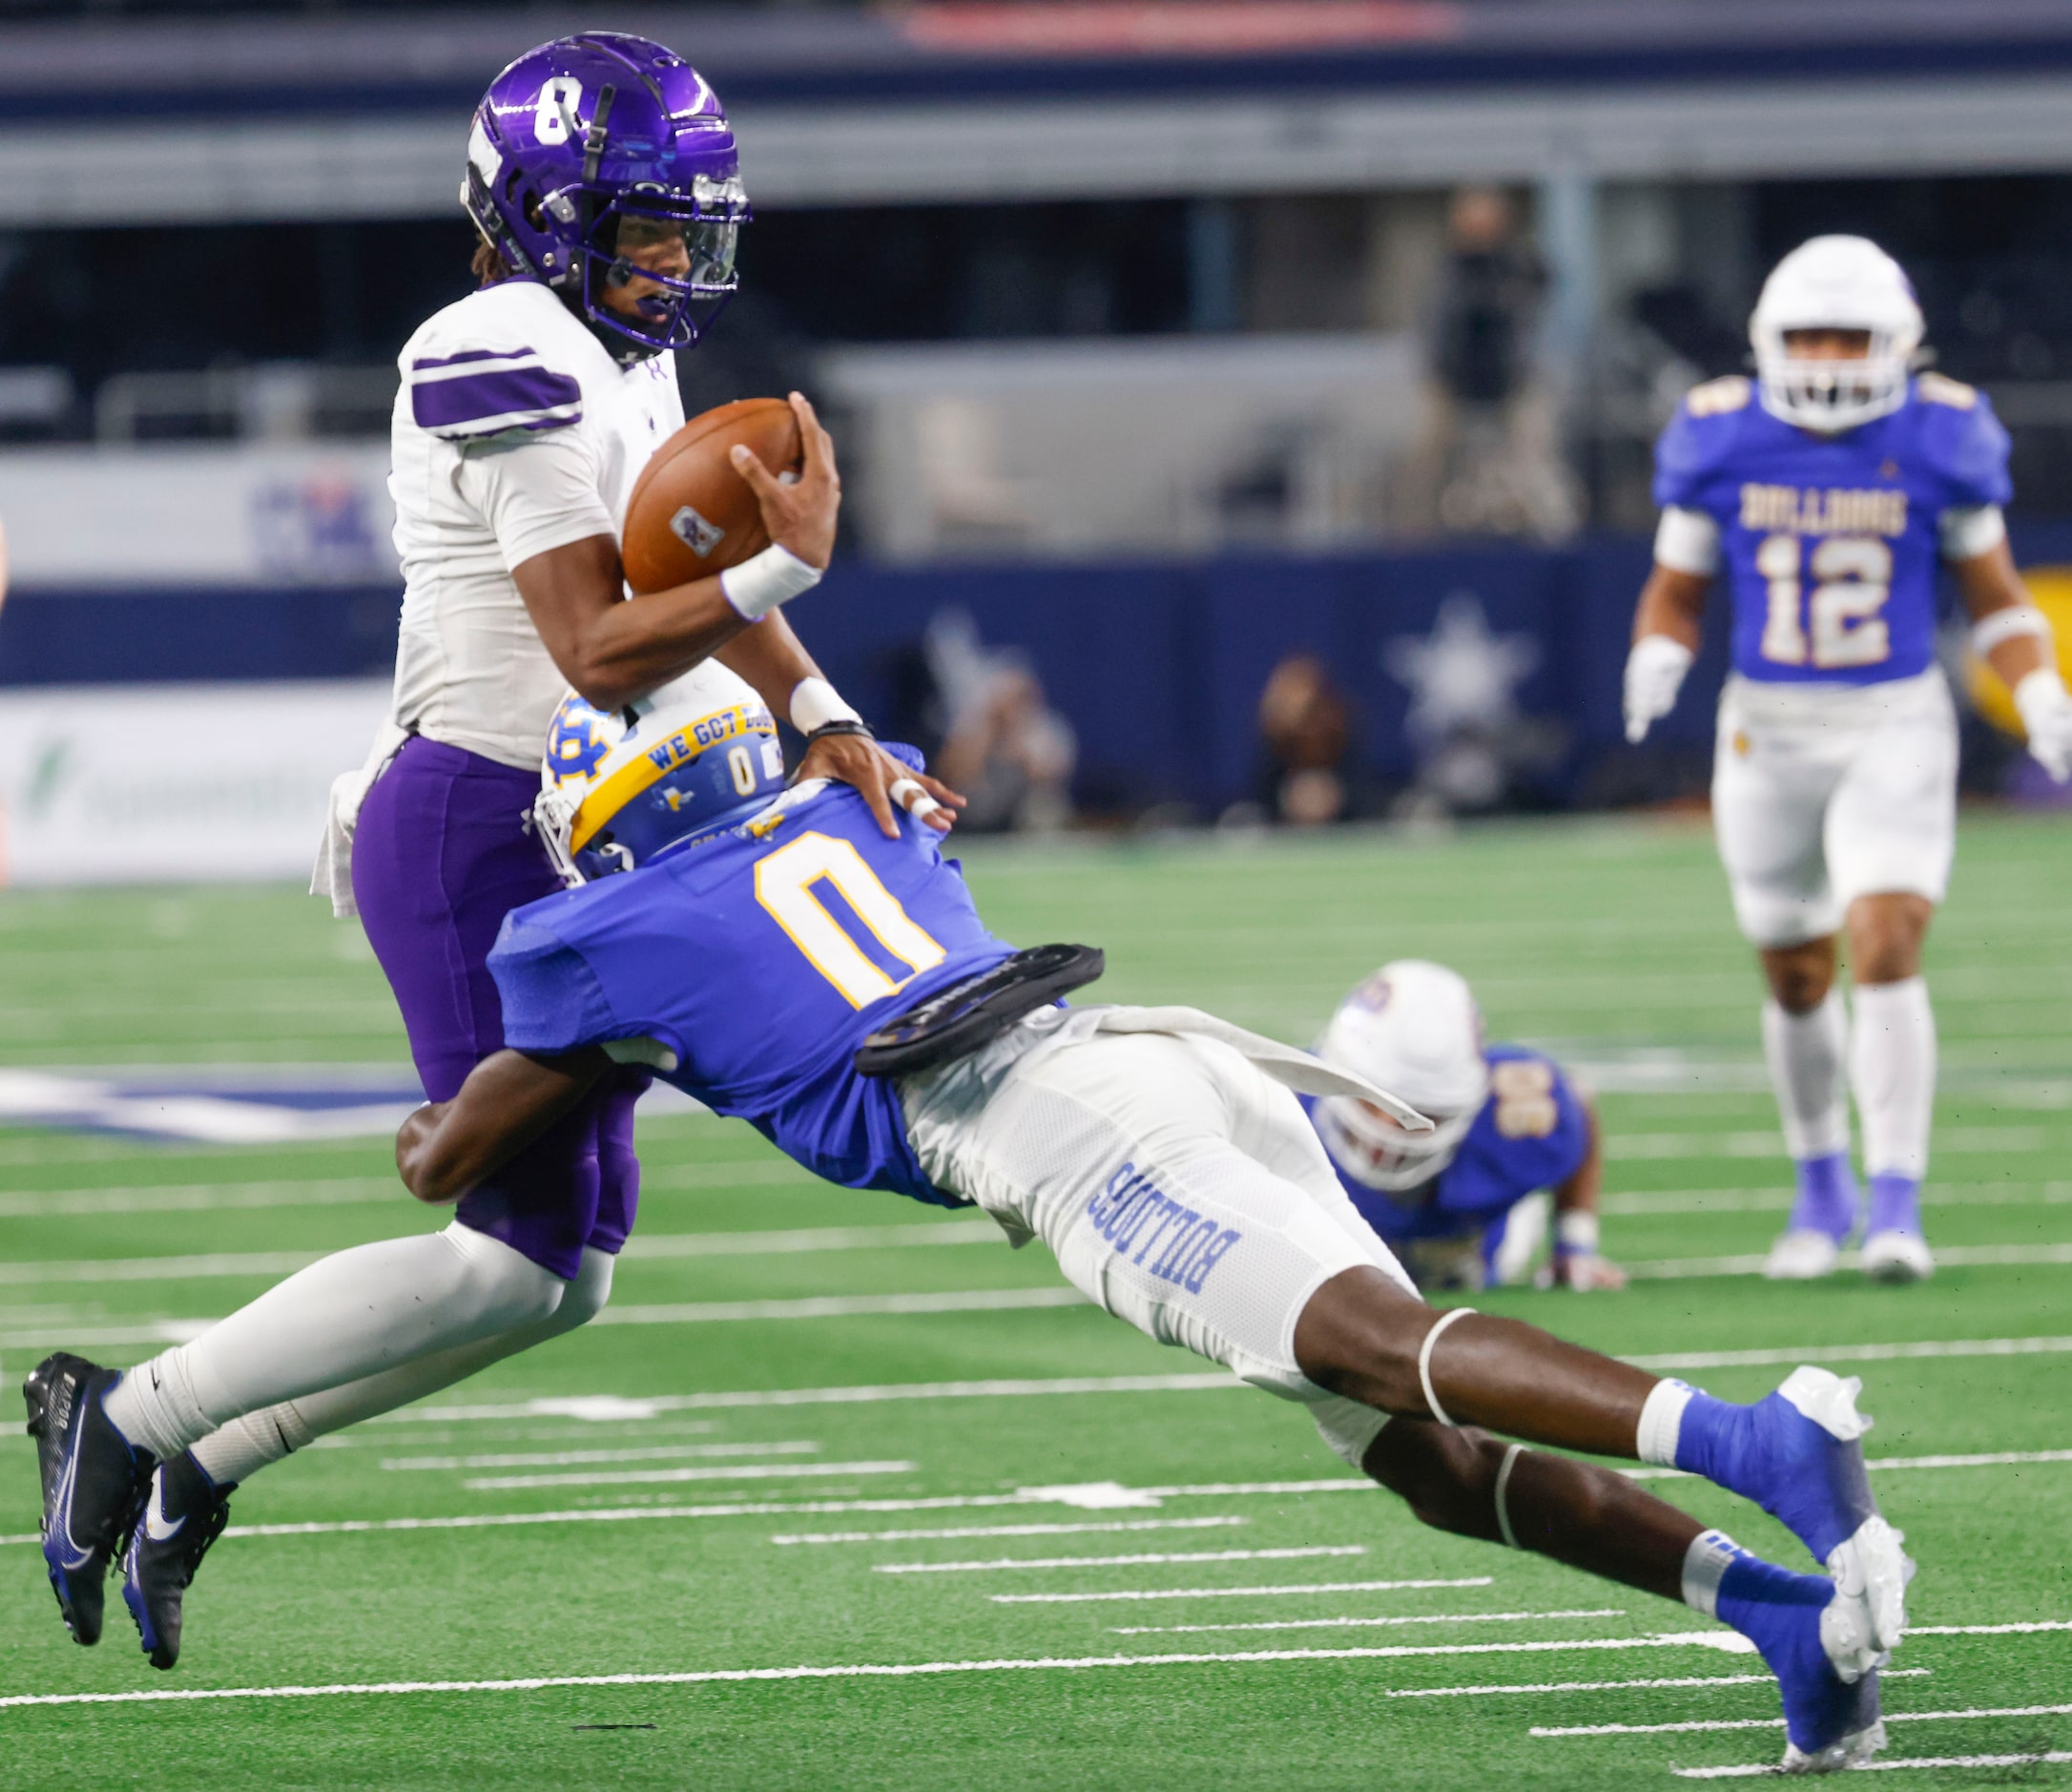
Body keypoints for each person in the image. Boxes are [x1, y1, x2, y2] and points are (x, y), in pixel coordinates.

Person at [31, 690, 1911, 1772]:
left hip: (1053, 1138)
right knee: (1418, 1459)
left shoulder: (596, 937)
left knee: (1369, 1347)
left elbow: (450, 1166)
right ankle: (1781, 1629)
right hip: (1144, 1058)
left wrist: (433, 976)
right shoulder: (857, 804)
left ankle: (1758, 1445)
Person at [28, 31, 960, 1670]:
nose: (677, 264)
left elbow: (676, 582)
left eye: (689, 230)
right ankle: (130, 1417)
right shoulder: (495, 342)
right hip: (473, 816)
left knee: (561, 1278)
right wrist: (779, 580)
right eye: (647, 231)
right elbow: (601, 642)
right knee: (502, 1230)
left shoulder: (614, 347)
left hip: (576, 829)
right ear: (543, 218)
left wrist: (818, 709)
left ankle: (195, 1463)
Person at [1623, 235, 2072, 1283]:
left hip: (1892, 719)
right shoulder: (1721, 436)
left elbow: (1996, 595)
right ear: (1768, 343)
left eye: (1850, 336)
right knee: (1792, 969)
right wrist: (1657, 650)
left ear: (1899, 345)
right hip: (1767, 728)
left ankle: (1897, 1205)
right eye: (1808, 335)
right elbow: (1677, 586)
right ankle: (1820, 1186)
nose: (1827, 356)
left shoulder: (1941, 435)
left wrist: (2041, 684)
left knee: (1886, 939)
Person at [1305, 960, 1622, 1293]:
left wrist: (1574, 1245)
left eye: (1415, 1112)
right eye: (1369, 1099)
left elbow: (1577, 1108)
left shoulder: (1510, 1120)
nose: (1385, 1133)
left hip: (1482, 1260)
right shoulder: (1283, 1104)